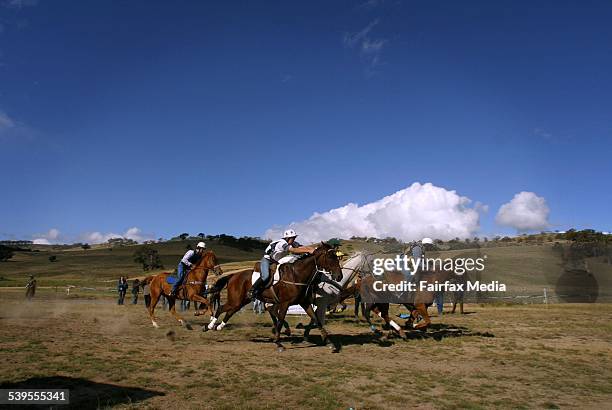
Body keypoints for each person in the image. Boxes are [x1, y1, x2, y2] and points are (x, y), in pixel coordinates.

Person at [248, 229, 316, 299]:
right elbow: (293, 250)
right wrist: (308, 250)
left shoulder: (292, 243)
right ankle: (252, 290)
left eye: (294, 238)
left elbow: (302, 247)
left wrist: (315, 250)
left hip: (276, 261)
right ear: (287, 238)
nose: (294, 239)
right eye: (292, 238)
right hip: (267, 260)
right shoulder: (281, 243)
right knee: (265, 276)